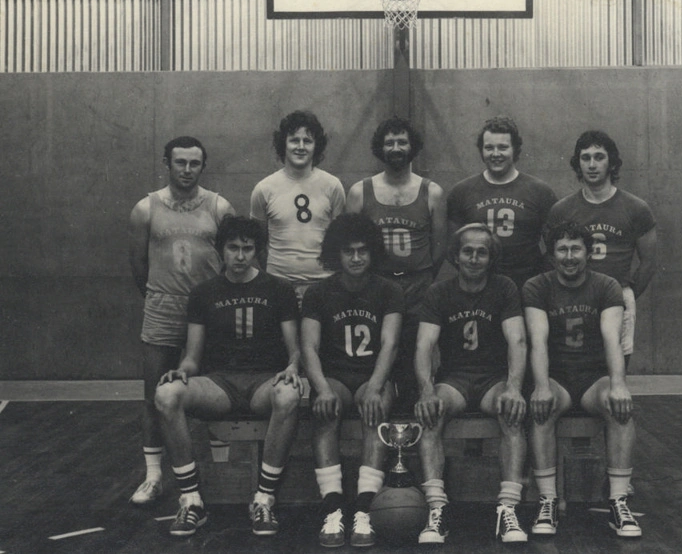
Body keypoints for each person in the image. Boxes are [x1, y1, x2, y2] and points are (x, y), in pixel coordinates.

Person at [154, 215, 303, 537]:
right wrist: (182, 371)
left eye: (247, 249)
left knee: (290, 395)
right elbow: (193, 357)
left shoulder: (279, 289)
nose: (239, 256)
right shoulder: (204, 292)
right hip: (219, 384)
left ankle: (263, 500)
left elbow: (294, 350)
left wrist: (292, 368)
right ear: (221, 250)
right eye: (232, 248)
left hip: (264, 382)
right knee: (166, 395)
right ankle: (191, 500)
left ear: (258, 251)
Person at [127, 136, 235, 505]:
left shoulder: (220, 207)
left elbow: (231, 261)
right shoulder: (146, 208)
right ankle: (153, 476)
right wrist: (162, 296)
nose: (187, 170)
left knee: (219, 391)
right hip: (163, 309)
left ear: (203, 166)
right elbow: (139, 267)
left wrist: (210, 305)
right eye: (180, 163)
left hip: (211, 314)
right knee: (152, 396)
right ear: (166, 164)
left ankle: (222, 470)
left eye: (194, 163)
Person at [523, 221, 640, 538]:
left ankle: (617, 500)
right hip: (558, 377)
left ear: (588, 253)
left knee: (620, 409)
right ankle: (548, 500)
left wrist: (618, 385)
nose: (569, 256)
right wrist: (543, 386)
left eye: (576, 249)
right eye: (562, 249)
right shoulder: (537, 286)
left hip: (592, 378)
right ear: (552, 254)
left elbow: (611, 339)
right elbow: (538, 341)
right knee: (541, 409)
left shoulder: (606, 285)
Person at [413, 224, 528, 545]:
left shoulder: (504, 288)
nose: (475, 258)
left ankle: (508, 509)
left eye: (482, 252)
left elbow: (517, 340)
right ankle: (436, 510)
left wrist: (514, 387)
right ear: (455, 255)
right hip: (456, 381)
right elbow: (423, 345)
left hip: (494, 379)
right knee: (431, 411)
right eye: (468, 251)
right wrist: (426, 390)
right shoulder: (439, 291)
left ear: (491, 258)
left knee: (511, 411)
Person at [301, 213, 404, 548]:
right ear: (337, 254)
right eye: (349, 252)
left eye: (363, 251)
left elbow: (390, 343)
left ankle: (363, 509)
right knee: (324, 412)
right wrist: (322, 389)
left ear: (373, 252)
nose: (357, 258)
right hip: (335, 375)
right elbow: (309, 346)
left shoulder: (389, 290)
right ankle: (333, 509)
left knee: (375, 410)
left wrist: (376, 386)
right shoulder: (318, 292)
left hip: (371, 374)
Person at [346, 116, 447, 412]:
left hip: (418, 285)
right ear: (380, 147)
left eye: (402, 141)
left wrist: (419, 275)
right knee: (380, 361)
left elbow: (439, 247)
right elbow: (352, 244)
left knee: (420, 360)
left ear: (412, 146)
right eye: (389, 142)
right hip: (376, 285)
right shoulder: (360, 191)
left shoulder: (433, 192)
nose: (396, 147)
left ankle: (416, 438)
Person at [545, 130, 657, 363]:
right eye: (585, 158)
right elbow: (551, 257)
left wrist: (626, 295)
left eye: (599, 157)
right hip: (572, 299)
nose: (592, 164)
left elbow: (649, 262)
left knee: (614, 373)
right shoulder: (562, 209)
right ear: (578, 164)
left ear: (612, 162)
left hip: (615, 299)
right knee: (571, 368)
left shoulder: (635, 208)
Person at [446, 116, 557, 289]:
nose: (496, 154)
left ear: (515, 150)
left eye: (503, 147)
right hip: (479, 286)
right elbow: (451, 247)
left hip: (526, 284)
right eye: (489, 147)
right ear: (481, 151)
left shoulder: (540, 192)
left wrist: (536, 278)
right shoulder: (461, 191)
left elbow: (555, 246)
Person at [250, 110, 346, 307]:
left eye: (307, 141)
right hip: (279, 286)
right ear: (283, 144)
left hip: (323, 285)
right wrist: (280, 273)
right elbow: (258, 243)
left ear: (316, 146)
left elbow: (339, 241)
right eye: (294, 140)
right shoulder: (264, 189)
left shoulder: (333, 186)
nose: (301, 147)